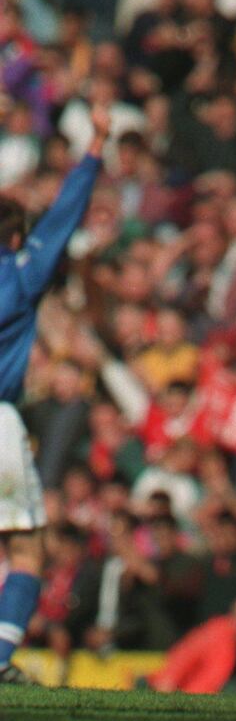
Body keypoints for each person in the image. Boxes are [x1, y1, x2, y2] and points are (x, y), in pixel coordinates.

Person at [0, 105, 109, 683]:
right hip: (0, 421)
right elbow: (63, 219)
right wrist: (93, 150)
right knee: (25, 548)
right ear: (15, 235)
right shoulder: (20, 273)